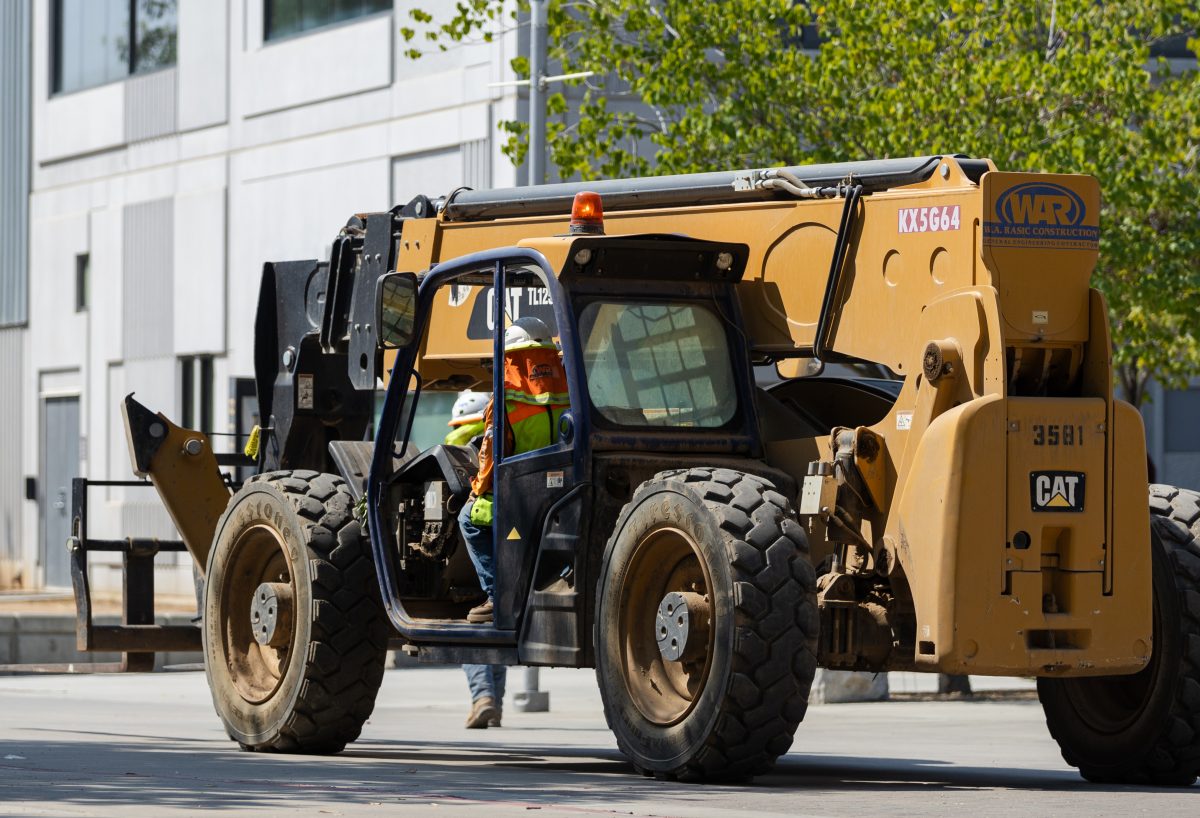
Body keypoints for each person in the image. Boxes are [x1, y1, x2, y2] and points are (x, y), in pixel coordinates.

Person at [458, 316, 569, 729]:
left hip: (515, 501)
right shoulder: (569, 389)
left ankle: (495, 594)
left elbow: (490, 456)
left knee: (468, 520)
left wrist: (476, 491)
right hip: (560, 500)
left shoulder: (508, 397)